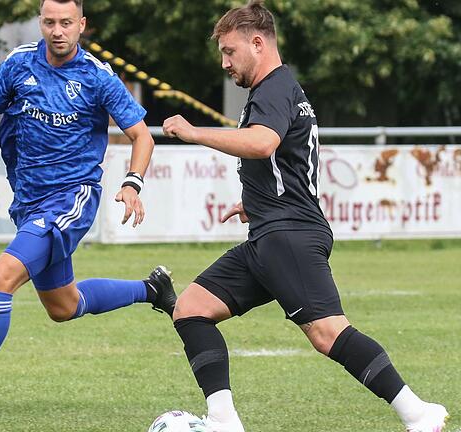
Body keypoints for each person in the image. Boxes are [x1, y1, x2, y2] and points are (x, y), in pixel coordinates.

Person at [161, 1, 448, 431]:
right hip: (272, 230)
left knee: (328, 333)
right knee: (190, 308)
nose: (224, 62)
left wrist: (193, 132)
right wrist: (254, 201)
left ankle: (418, 413)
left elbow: (262, 143)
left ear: (257, 43)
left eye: (229, 51)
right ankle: (223, 421)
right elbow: (288, 161)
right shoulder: (277, 90)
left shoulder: (274, 88)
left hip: (287, 235)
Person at [0, 0, 177, 414]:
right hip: (29, 201)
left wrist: (132, 183)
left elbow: (141, 136)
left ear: (82, 25)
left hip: (72, 198)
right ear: (41, 23)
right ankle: (151, 290)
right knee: (63, 306)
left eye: (66, 23)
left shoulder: (98, 77)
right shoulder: (18, 64)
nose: (57, 31)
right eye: (49, 22)